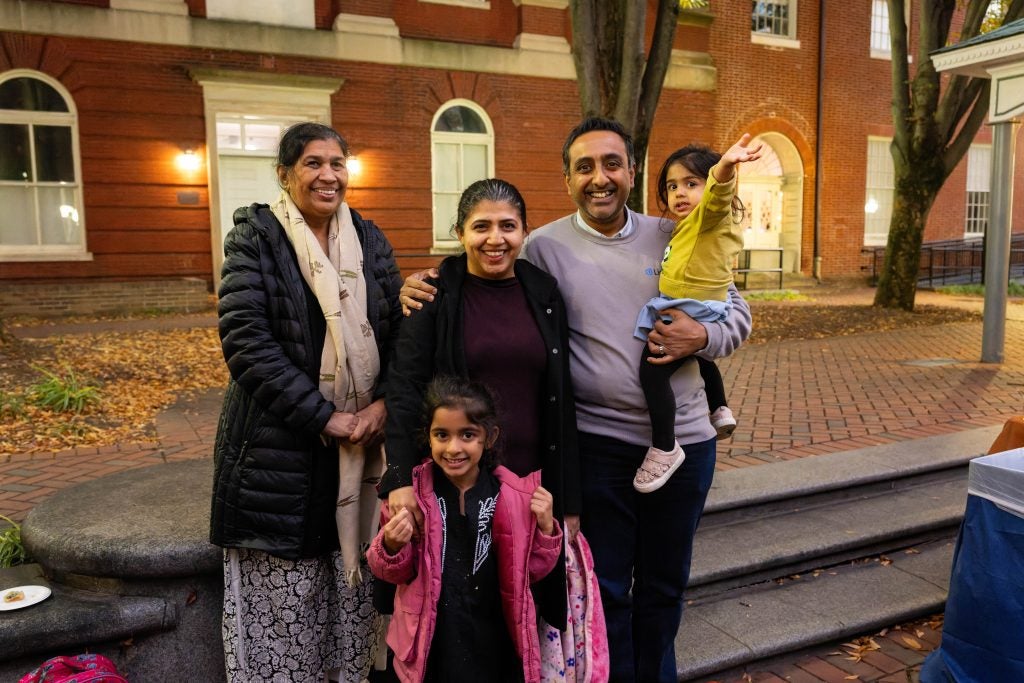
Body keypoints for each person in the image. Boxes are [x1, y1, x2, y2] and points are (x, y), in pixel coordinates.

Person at [401, 117, 752, 682]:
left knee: (664, 586)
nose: (600, 178)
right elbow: (487, 274)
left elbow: (736, 312)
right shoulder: (543, 249)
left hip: (684, 444)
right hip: (599, 446)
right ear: (567, 179)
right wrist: (422, 286)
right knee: (604, 585)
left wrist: (703, 337)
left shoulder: (674, 232)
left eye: (612, 164)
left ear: (632, 173)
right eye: (585, 167)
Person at [210, 121, 403, 683]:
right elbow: (246, 342)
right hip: (280, 459)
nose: (328, 175)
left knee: (354, 611)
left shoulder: (369, 239)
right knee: (282, 625)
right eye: (313, 163)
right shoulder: (257, 237)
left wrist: (381, 407)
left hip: (363, 456)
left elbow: (397, 336)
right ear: (285, 174)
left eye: (337, 163)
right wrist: (328, 419)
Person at [381, 178, 580, 629]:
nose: (495, 239)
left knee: (523, 615)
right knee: (461, 616)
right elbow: (405, 390)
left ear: (524, 231)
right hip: (458, 486)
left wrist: (568, 499)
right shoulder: (435, 295)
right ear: (460, 233)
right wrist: (398, 479)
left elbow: (560, 397)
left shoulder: (543, 292)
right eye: (481, 226)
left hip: (530, 486)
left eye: (508, 226)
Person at [367, 375, 563, 683]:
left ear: (490, 437)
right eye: (442, 435)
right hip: (431, 644)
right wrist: (390, 545)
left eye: (467, 435)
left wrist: (546, 529)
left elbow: (532, 570)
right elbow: (392, 572)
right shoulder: (413, 498)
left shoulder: (514, 497)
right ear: (427, 437)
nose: (453, 448)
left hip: (493, 644)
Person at [632, 135, 763, 493]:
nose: (679, 193)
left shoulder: (708, 215)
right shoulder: (689, 226)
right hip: (701, 304)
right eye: (672, 185)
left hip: (692, 307)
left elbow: (718, 195)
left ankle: (664, 446)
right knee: (700, 360)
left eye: (691, 184)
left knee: (653, 371)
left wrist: (725, 169)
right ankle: (720, 408)